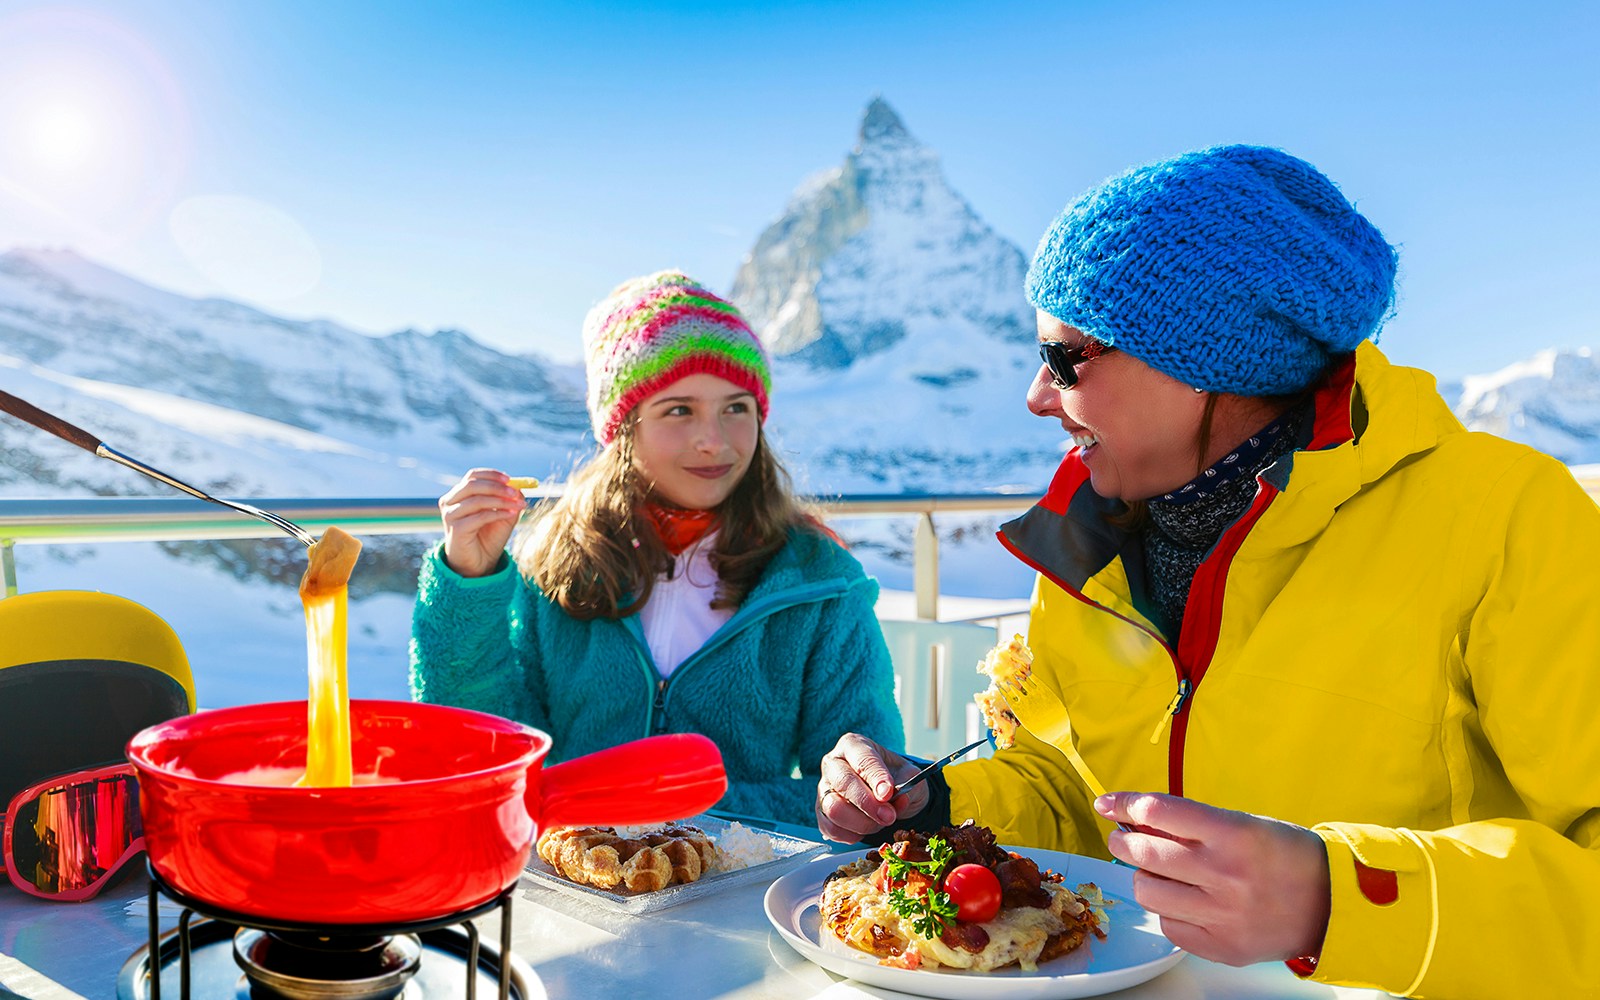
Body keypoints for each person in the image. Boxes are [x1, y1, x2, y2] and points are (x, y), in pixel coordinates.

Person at [813, 145, 1600, 997]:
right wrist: (927, 804)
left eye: (1067, 357)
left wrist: (1345, 901)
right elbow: (1073, 795)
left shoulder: (1508, 517)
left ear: (1203, 362)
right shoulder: (1089, 543)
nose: (1039, 395)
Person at [411, 270, 903, 826]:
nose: (713, 440)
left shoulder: (818, 582)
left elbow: (867, 789)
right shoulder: (555, 565)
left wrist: (685, 816)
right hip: (574, 880)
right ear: (623, 427)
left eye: (736, 408)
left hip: (739, 890)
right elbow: (482, 748)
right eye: (678, 410)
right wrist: (469, 581)